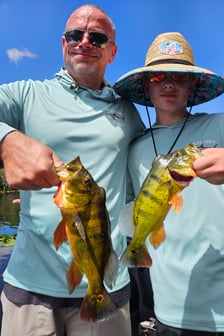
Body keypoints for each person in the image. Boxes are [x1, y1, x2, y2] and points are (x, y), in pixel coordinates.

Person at [0, 4, 145, 336]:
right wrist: (6, 139)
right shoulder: (26, 94)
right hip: (29, 286)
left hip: (108, 285)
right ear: (63, 44)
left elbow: (145, 179)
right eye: (74, 35)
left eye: (97, 37)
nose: (85, 41)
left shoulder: (128, 112)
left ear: (112, 52)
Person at [114, 32, 224, 335]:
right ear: (146, 86)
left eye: (179, 76)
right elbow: (123, 209)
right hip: (170, 309)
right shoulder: (134, 149)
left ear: (192, 85)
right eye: (159, 76)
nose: (168, 83)